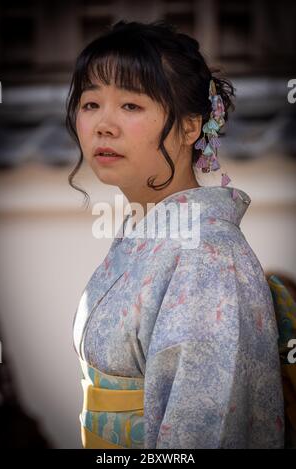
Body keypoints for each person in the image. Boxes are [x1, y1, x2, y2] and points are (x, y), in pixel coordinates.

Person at [66, 19, 284, 449]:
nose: (103, 125)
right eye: (91, 104)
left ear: (190, 127)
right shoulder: (147, 235)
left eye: (131, 106)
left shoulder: (206, 256)